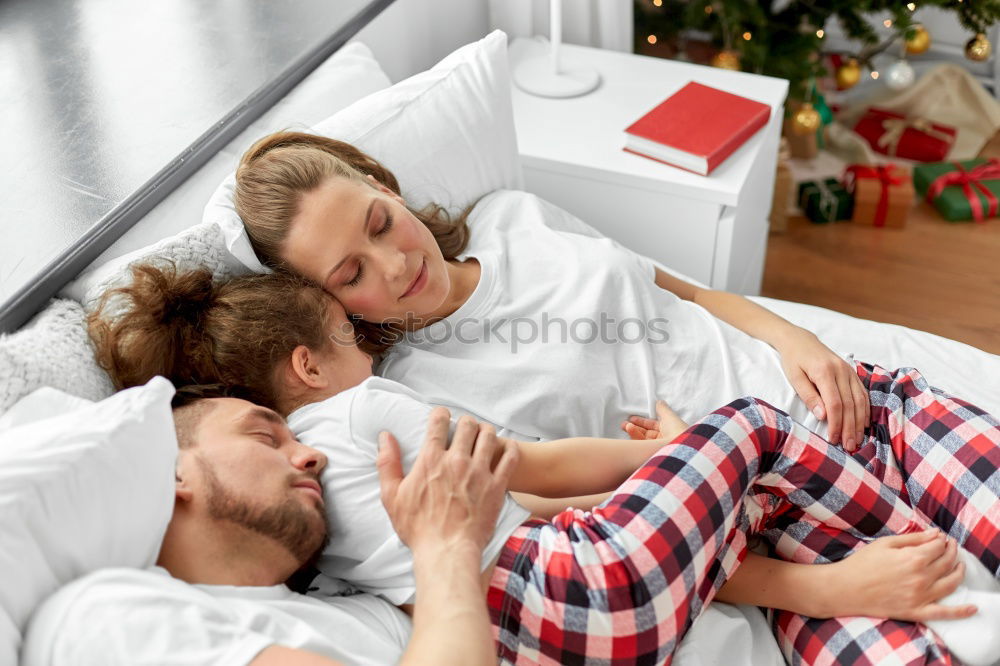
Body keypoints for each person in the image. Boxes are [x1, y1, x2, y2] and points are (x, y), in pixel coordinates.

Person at [230, 131, 1000, 661]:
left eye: (379, 225)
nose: (392, 266)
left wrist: (798, 341)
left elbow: (690, 293)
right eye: (350, 274)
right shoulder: (417, 402)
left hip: (861, 418)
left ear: (383, 184)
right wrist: (826, 592)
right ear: (325, 307)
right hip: (771, 537)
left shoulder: (513, 216)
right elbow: (603, 529)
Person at [88, 264, 1000, 666]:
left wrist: (655, 486)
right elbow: (541, 467)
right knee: (755, 429)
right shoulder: (361, 410)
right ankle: (926, 555)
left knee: (743, 506)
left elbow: (524, 508)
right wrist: (675, 453)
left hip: (547, 634)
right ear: (310, 366)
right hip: (571, 583)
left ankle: (915, 596)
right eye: (348, 334)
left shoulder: (321, 542)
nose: (373, 349)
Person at [21, 386, 520, 666]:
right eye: (265, 437)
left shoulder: (369, 615)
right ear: (172, 471)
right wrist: (446, 543)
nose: (313, 456)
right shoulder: (105, 616)